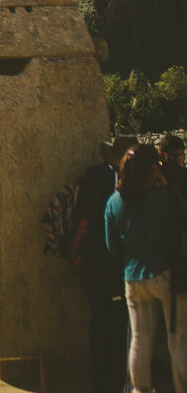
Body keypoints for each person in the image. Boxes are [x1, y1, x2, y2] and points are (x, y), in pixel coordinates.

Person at [106, 143, 187, 393]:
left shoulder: (114, 202)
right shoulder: (162, 196)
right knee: (178, 339)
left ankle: (141, 389)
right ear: (150, 169)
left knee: (140, 341)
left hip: (133, 277)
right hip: (165, 275)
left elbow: (111, 247)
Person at [80, 134, 134, 393]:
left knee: (100, 324)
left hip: (94, 264)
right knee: (120, 328)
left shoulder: (92, 176)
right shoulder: (122, 185)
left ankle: (101, 380)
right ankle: (116, 380)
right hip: (113, 265)